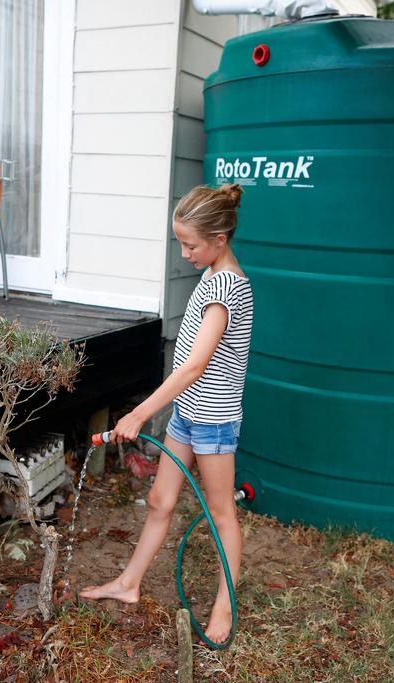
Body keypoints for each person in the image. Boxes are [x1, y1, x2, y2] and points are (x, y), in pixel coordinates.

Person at [80, 183, 254, 645]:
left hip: (213, 420)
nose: (184, 253)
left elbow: (196, 364)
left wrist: (138, 413)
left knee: (219, 513)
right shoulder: (212, 274)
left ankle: (224, 604)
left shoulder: (227, 286)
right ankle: (129, 583)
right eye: (180, 242)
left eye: (191, 244)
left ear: (219, 239)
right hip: (188, 412)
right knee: (160, 501)